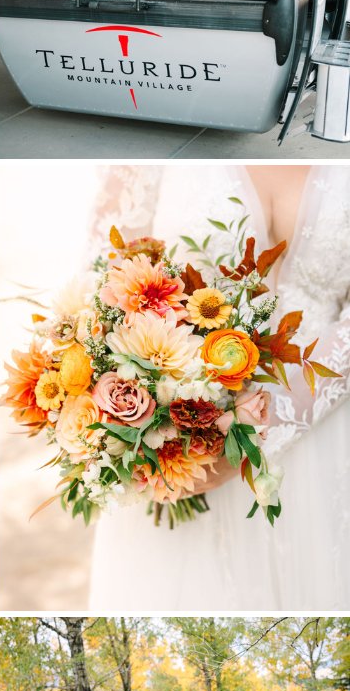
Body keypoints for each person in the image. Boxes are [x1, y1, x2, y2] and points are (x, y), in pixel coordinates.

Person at [86, 164, 350, 610]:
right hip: (176, 450)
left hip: (323, 431)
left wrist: (264, 428)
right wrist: (145, 421)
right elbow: (99, 282)